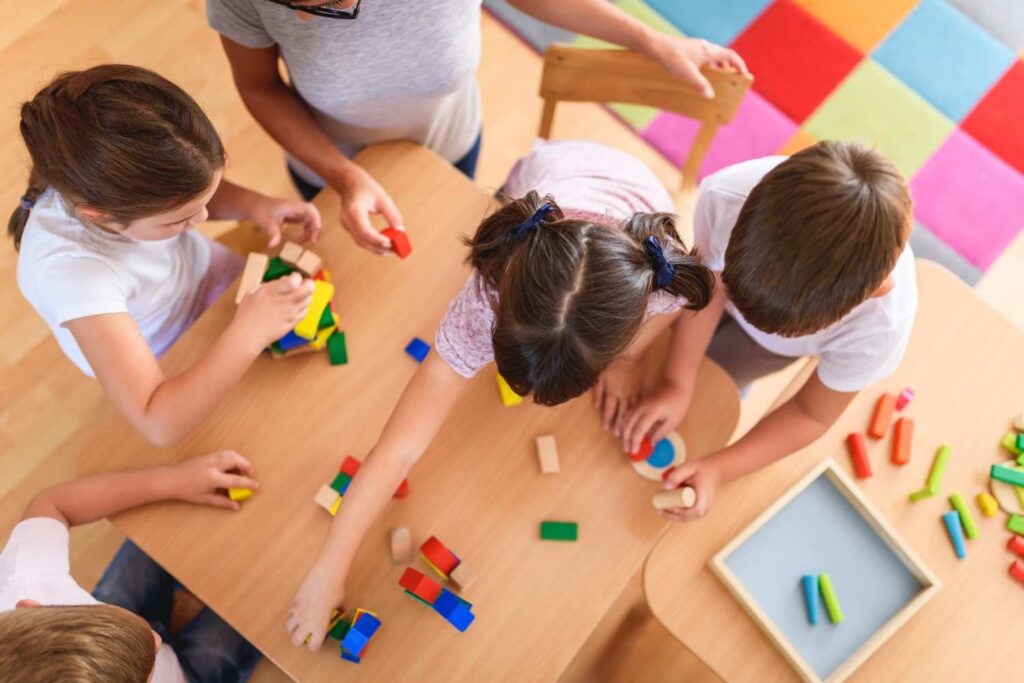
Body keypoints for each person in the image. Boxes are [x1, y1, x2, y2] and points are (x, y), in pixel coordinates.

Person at [284, 139, 715, 647]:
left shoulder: (659, 277)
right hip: (550, 172)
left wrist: (628, 361)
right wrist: (327, 572)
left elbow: (677, 308)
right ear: (496, 316)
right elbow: (398, 447)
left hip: (634, 195)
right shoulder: (483, 297)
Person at [207, 0, 746, 254]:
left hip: (451, 141)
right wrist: (344, 176)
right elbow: (258, 87)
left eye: (328, 4)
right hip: (325, 159)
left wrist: (653, 41)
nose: (303, 20)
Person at [9, 64, 320, 447]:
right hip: (165, 348)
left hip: (201, 277)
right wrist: (246, 335)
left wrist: (254, 205)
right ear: (100, 215)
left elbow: (185, 192)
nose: (203, 218)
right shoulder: (72, 277)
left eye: (202, 204)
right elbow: (158, 421)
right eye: (183, 220)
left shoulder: (129, 189)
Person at [620, 141, 917, 520]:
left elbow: (812, 414)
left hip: (767, 349)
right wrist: (678, 381)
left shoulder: (881, 327)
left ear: (878, 290)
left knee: (717, 395)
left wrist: (719, 469)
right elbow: (705, 290)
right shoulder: (728, 195)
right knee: (666, 355)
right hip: (708, 295)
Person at [0, 450, 261, 683]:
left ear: (31, 609)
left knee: (158, 531)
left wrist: (175, 481)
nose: (155, 639)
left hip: (113, 627)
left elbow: (51, 504)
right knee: (260, 605)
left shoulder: (23, 583)